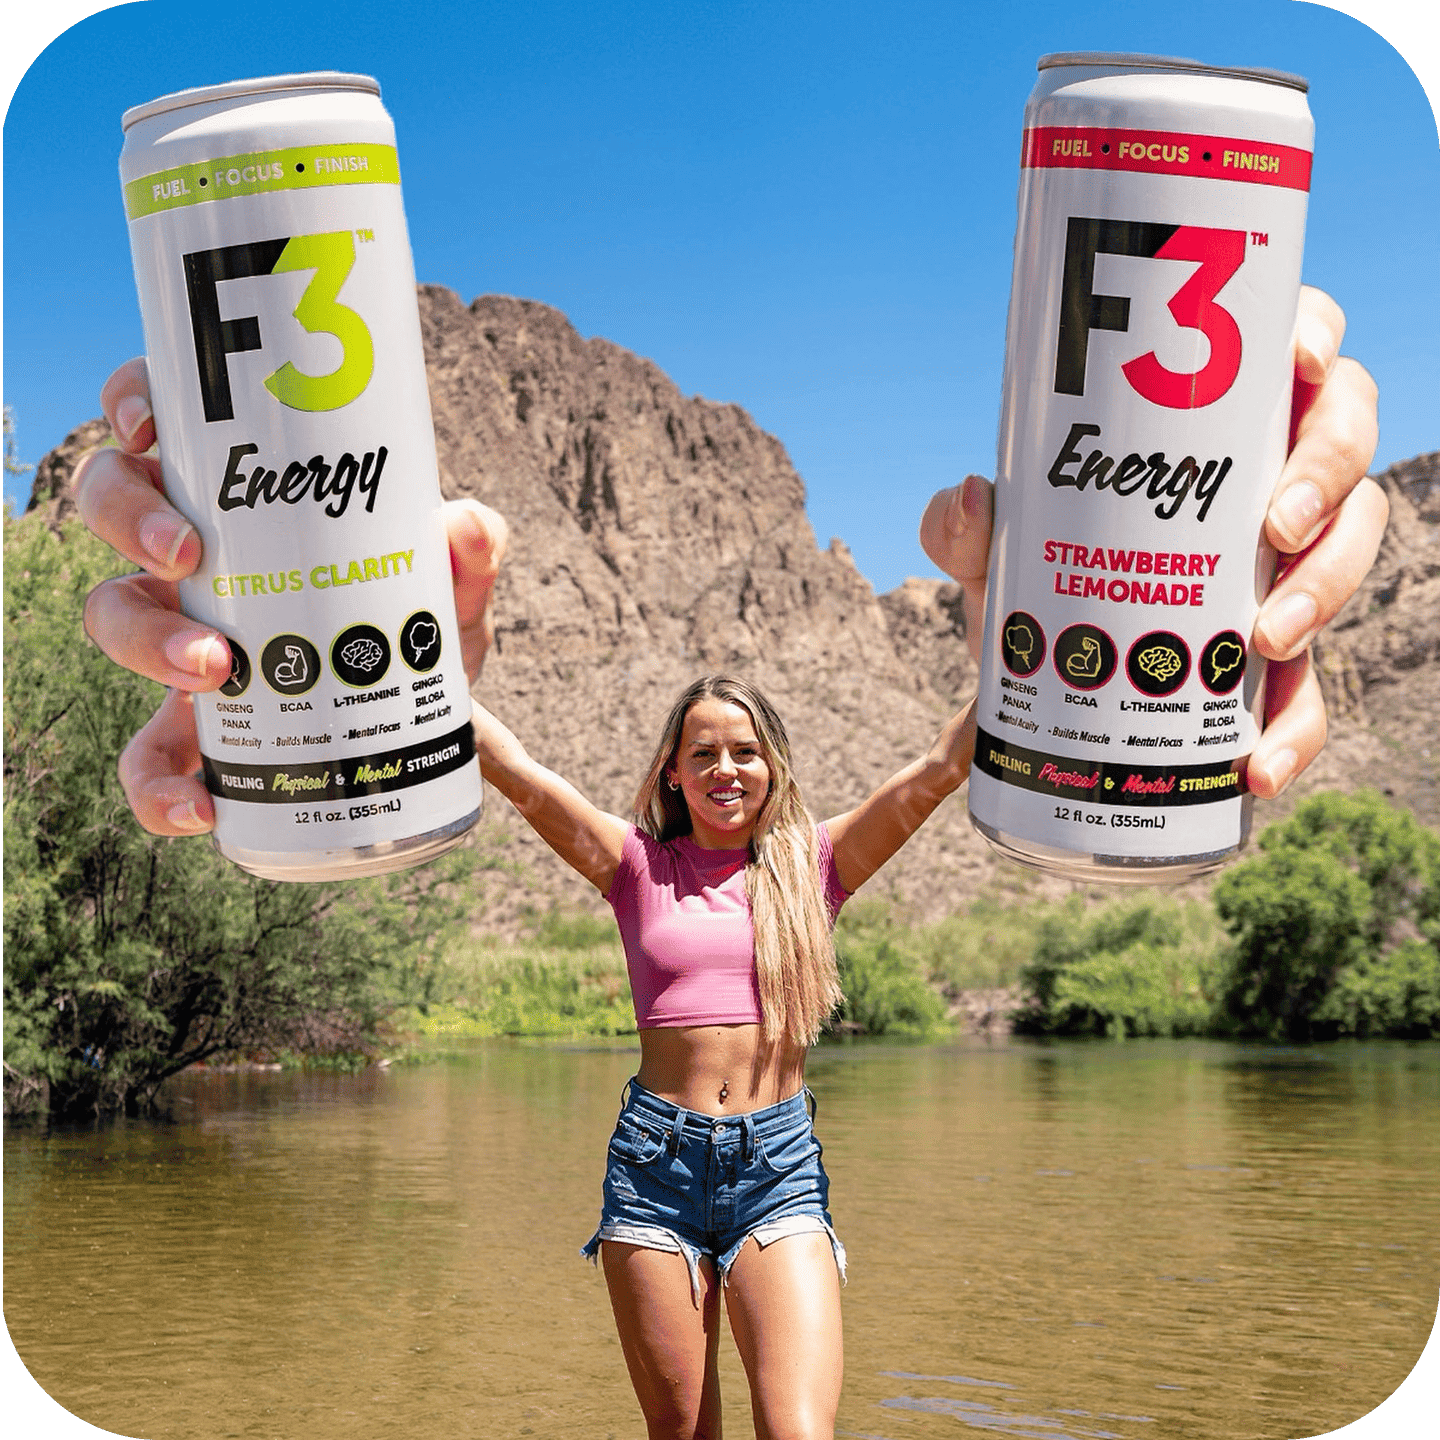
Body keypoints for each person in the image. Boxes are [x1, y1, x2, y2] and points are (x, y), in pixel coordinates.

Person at [73, 285, 1384, 1438]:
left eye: (746, 752)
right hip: (652, 1163)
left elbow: (939, 770)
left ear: (772, 770)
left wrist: (1070, 607)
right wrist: (348, 609)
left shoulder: (812, 868)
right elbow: (512, 768)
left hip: (778, 1164)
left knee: (798, 1427)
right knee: (680, 1431)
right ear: (671, 774)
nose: (726, 770)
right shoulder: (630, 867)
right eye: (703, 753)